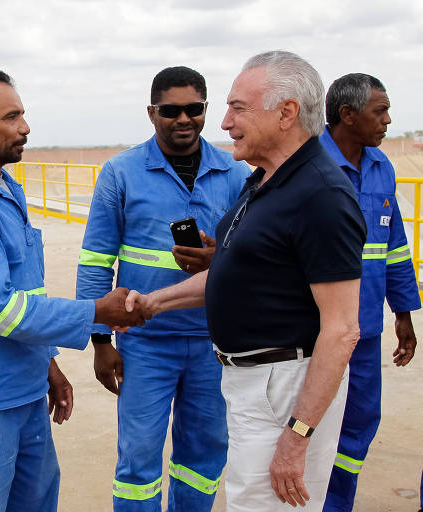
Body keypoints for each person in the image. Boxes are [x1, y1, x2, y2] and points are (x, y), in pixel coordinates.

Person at [124, 50, 367, 511]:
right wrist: (152, 303)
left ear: (286, 113)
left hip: (286, 389)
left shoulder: (322, 195)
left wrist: (297, 438)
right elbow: (231, 276)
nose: (225, 123)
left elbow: (342, 329)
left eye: (239, 108)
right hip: (254, 385)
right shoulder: (264, 182)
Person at [0, 67, 144, 512]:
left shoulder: (5, 191)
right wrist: (98, 310)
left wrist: (48, 365)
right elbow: (3, 311)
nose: (25, 127)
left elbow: (26, 293)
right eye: (12, 117)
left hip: (22, 391)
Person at [75, 66, 249, 511]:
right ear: (152, 113)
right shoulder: (121, 172)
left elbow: (253, 256)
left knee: (205, 453)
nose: (183, 119)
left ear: (206, 110)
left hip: (214, 343)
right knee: (138, 459)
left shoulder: (233, 172)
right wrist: (100, 340)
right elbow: (96, 259)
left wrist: (219, 260)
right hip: (143, 343)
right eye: (171, 110)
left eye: (194, 109)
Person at [319, 73, 420, 511]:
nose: (388, 120)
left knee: (359, 423)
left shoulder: (382, 167)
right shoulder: (307, 166)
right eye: (380, 111)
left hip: (365, 331)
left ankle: (337, 504)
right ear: (348, 114)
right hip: (314, 333)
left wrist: (403, 313)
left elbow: (394, 247)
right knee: (310, 423)